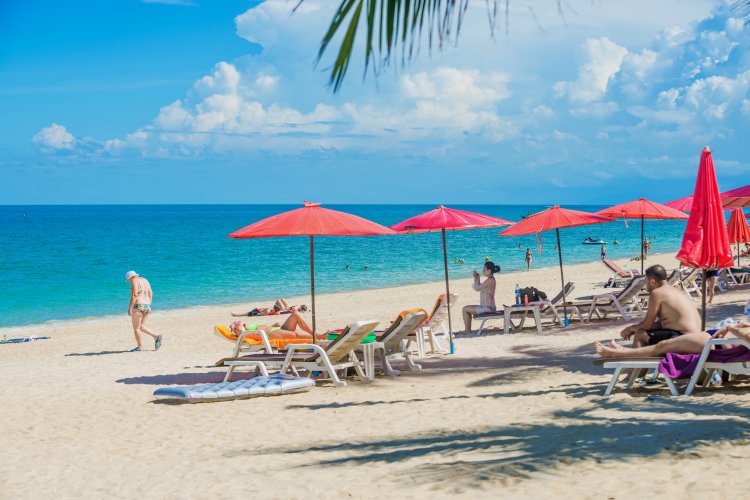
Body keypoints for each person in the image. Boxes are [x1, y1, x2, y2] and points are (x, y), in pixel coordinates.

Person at [615, 264, 701, 348]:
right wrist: (635, 328)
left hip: (685, 339)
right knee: (646, 332)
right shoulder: (675, 291)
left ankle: (636, 357)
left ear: (652, 281)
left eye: (645, 281)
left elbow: (647, 325)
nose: (645, 284)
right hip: (696, 338)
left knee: (640, 335)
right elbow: (660, 324)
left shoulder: (657, 293)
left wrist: (630, 329)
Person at [126, 270, 161, 352]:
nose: (129, 282)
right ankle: (156, 336)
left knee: (136, 328)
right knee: (141, 327)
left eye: (128, 280)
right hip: (147, 306)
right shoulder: (145, 280)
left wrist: (130, 308)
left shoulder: (134, 281)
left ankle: (139, 347)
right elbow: (151, 293)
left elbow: (134, 295)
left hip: (138, 306)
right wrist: (149, 304)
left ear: (130, 277)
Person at [462, 261, 501, 334]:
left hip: (487, 308)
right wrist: (478, 278)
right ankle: (467, 330)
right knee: (466, 309)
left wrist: (475, 278)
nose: (483, 271)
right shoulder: (491, 280)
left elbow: (476, 288)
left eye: (484, 269)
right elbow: (480, 287)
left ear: (489, 271)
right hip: (489, 307)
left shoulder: (489, 280)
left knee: (465, 309)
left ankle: (467, 330)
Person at [244, 309, 315, 340]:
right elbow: (259, 335)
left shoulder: (248, 327)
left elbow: (266, 327)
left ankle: (315, 334)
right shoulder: (245, 332)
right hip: (271, 333)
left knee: (295, 314)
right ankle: (317, 338)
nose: (239, 321)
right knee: (296, 335)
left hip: (277, 329)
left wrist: (274, 325)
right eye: (238, 323)